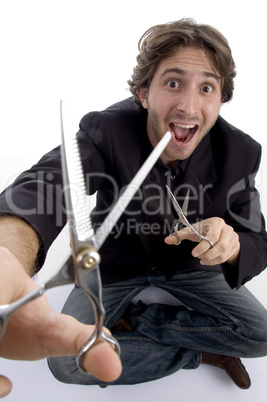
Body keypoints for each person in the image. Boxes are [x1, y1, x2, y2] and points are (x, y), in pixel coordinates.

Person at [1, 18, 267, 390]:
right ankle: (199, 353)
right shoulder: (106, 130)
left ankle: (139, 321)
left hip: (189, 267)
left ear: (221, 99)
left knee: (262, 336)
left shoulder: (241, 152)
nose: (190, 107)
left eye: (206, 87)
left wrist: (233, 245)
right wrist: (6, 254)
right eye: (173, 83)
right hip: (113, 265)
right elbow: (49, 182)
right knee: (66, 363)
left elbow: (256, 237)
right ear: (143, 93)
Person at [0, 247, 122, 398]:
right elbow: (47, 222)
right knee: (68, 363)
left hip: (160, 270)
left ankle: (144, 322)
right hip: (108, 270)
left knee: (96, 355)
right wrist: (11, 271)